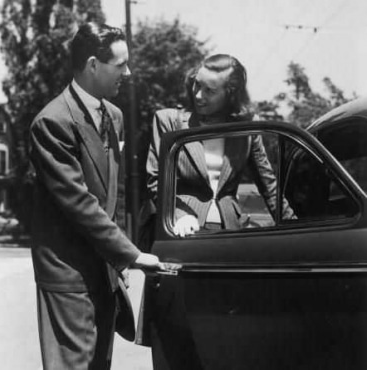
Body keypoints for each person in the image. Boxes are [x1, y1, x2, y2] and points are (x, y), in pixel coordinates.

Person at [29, 22, 163, 370]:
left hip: (104, 272)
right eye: (120, 65)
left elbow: (112, 194)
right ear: (92, 65)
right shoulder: (52, 122)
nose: (128, 73)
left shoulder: (114, 116)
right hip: (69, 276)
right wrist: (132, 254)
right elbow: (81, 204)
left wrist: (117, 262)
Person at [146, 53, 295, 237]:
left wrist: (295, 227)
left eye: (210, 90)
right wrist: (179, 215)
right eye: (197, 84)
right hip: (179, 231)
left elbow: (269, 186)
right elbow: (156, 181)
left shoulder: (247, 128)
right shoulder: (169, 121)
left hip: (229, 234)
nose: (198, 95)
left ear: (230, 94)